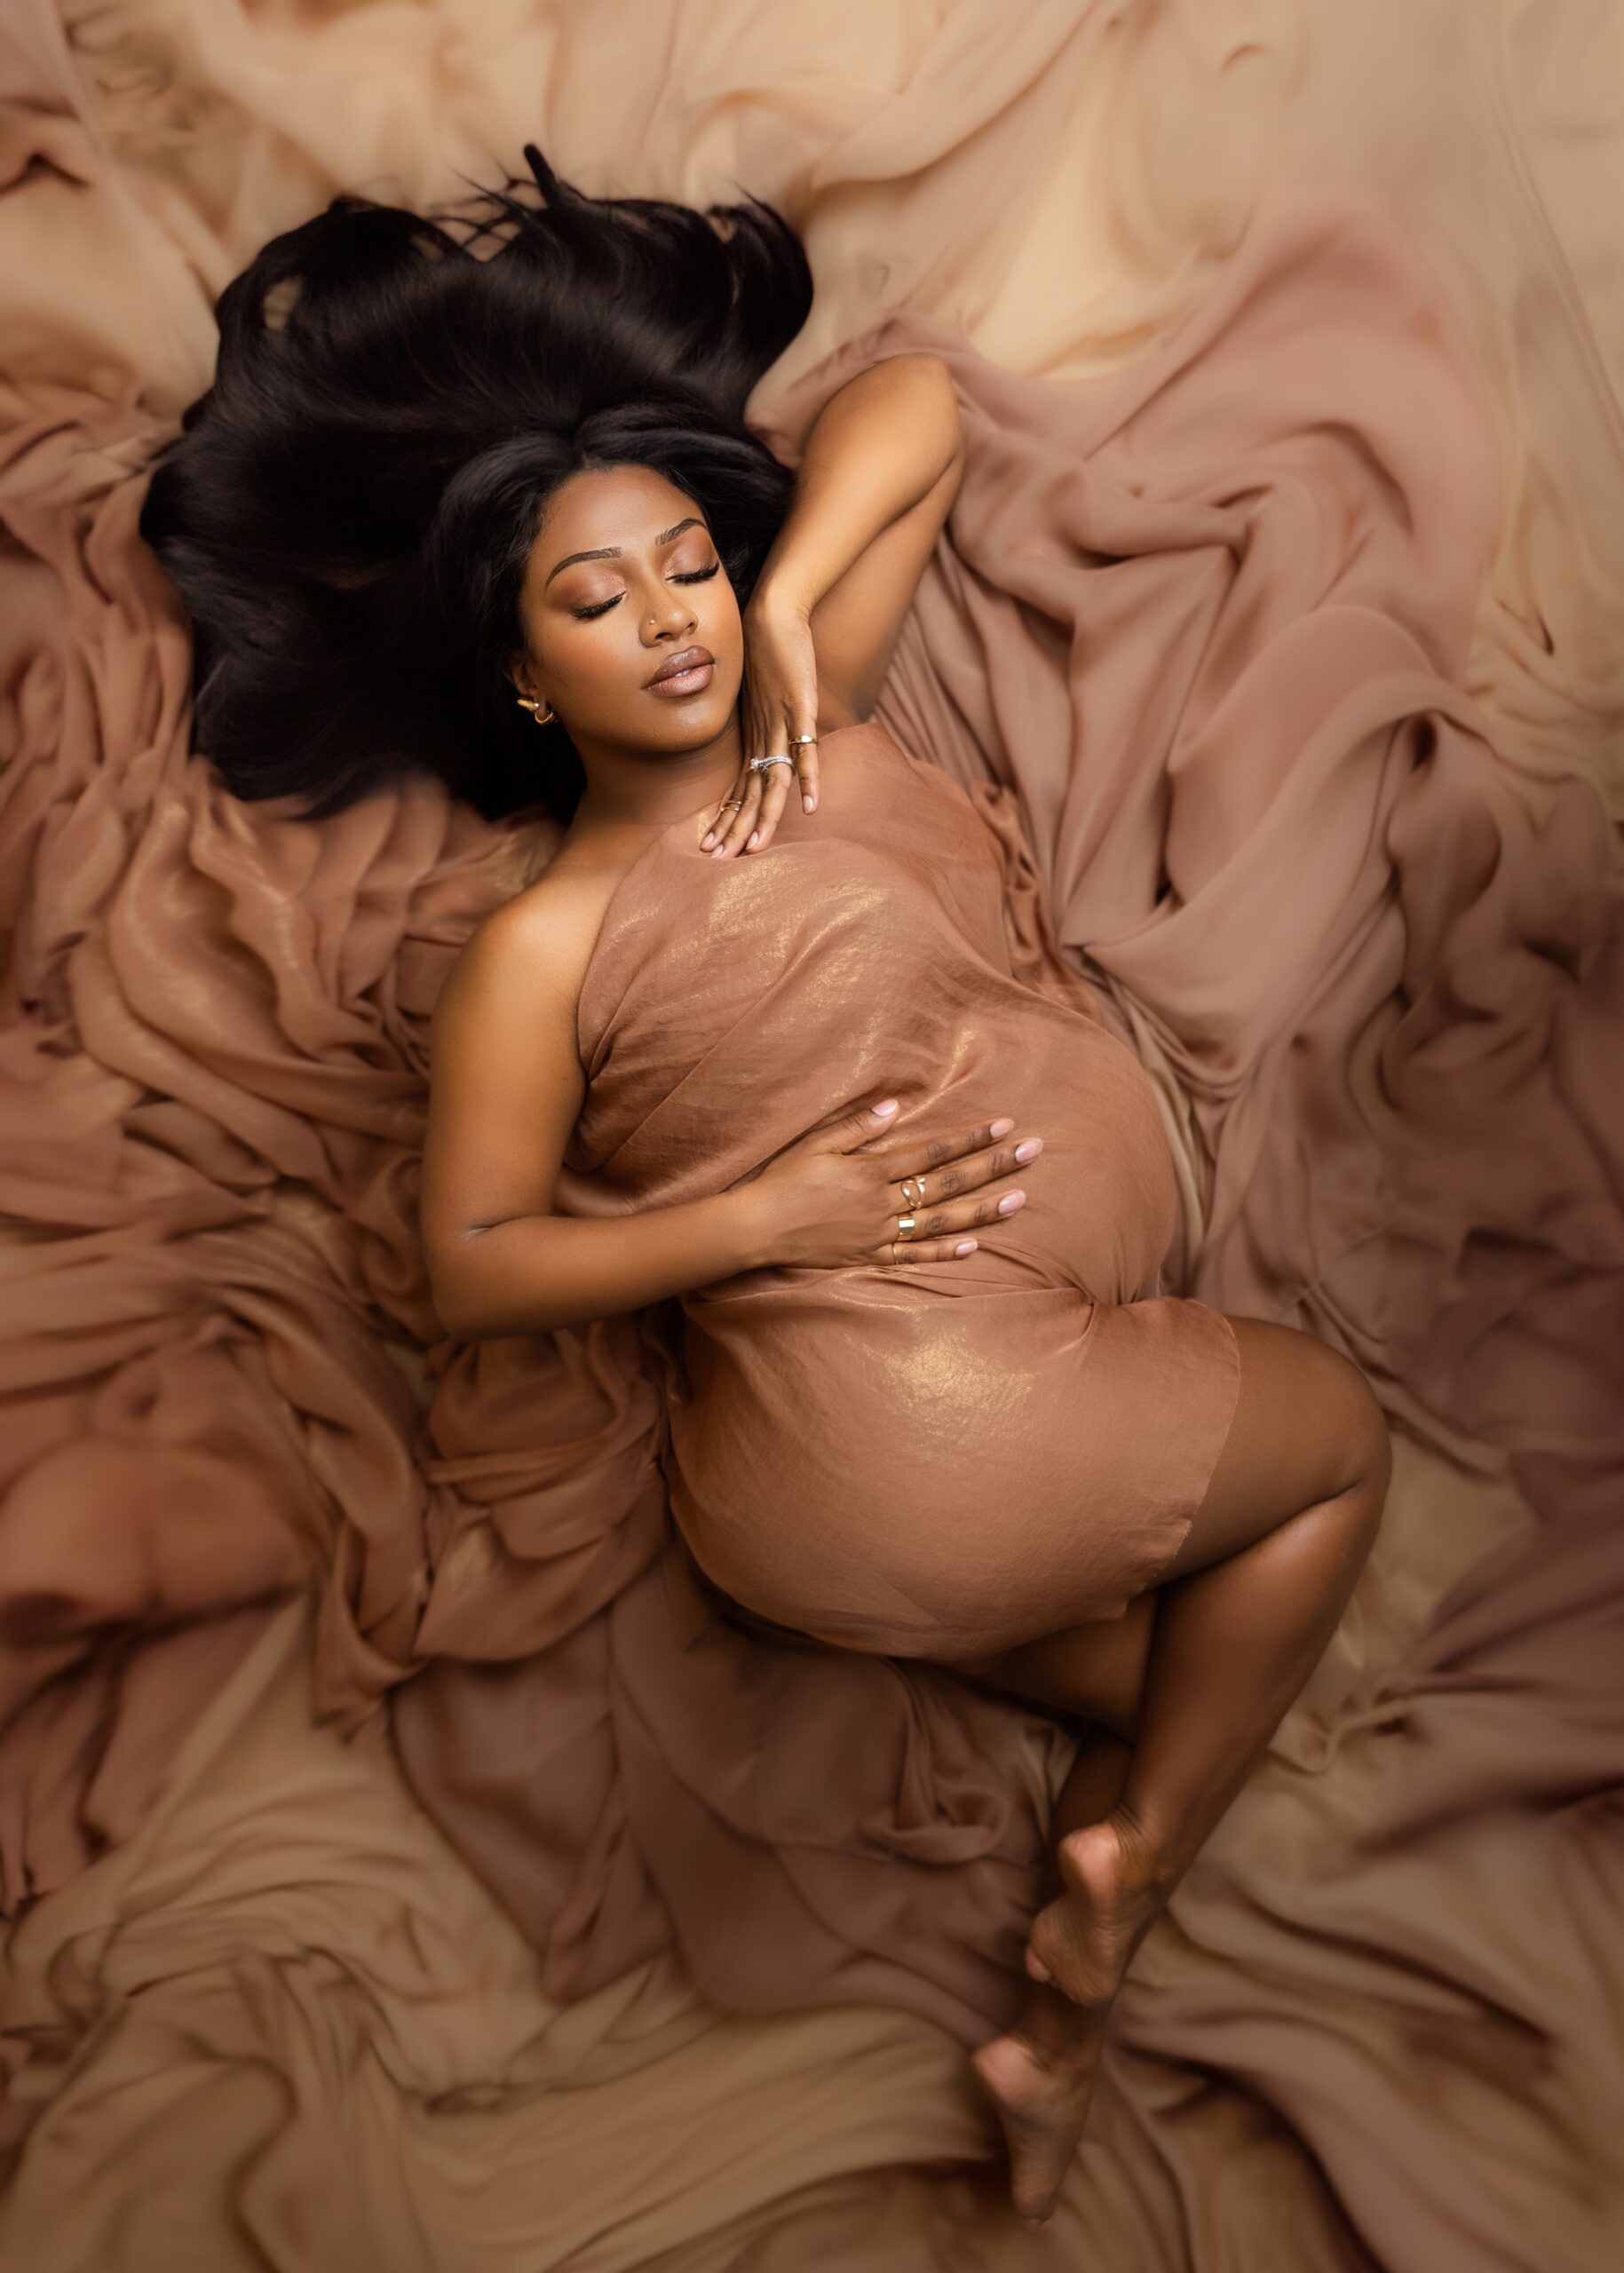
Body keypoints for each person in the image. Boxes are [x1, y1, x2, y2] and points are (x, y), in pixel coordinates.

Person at [141, 145, 1391, 2231]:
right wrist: (763, 1221)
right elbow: (469, 1263)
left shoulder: (817, 712)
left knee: (1195, 1668)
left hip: (860, 1506)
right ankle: (1126, 1881)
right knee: (1340, 1445)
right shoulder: (547, 938)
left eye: (686, 568)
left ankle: (1064, 2025)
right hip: (910, 1411)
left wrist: (797, 586)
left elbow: (921, 403)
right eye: (597, 601)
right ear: (526, 674)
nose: (671, 620)